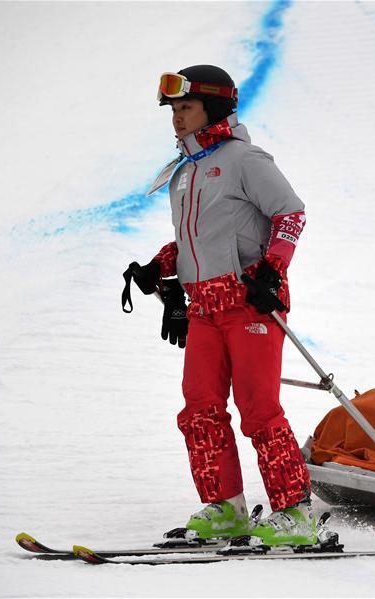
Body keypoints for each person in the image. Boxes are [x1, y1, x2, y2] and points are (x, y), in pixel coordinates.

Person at [126, 65, 315, 546]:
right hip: (204, 309)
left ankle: (296, 514)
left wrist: (272, 270)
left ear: (213, 107)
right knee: (200, 410)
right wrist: (159, 268)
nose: (176, 118)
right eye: (172, 110)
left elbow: (290, 213)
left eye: (184, 107)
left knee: (258, 410)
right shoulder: (184, 172)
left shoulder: (244, 159)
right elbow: (198, 240)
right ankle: (226, 508)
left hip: (250, 305)